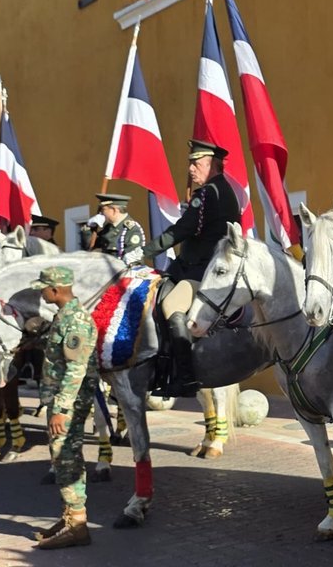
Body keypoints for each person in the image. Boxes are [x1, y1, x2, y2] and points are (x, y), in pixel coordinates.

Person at [143, 139, 243, 397]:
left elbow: (183, 229)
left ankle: (185, 377)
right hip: (195, 268)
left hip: (202, 272)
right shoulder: (223, 190)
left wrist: (146, 251)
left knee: (171, 306)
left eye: (197, 163)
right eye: (191, 163)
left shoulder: (209, 193)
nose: (191, 169)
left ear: (213, 165)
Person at [30, 266, 99, 550]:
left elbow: (76, 367)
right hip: (62, 402)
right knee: (65, 458)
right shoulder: (64, 316)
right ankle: (71, 516)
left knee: (66, 458)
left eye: (43, 288)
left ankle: (78, 526)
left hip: (67, 404)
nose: (41, 292)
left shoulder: (76, 321)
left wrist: (60, 408)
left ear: (56, 290)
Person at [82, 194, 146, 265]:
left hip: (124, 272)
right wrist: (89, 227)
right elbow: (89, 246)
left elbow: (133, 260)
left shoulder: (131, 229)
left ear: (114, 210)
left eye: (103, 210)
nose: (101, 213)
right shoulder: (108, 228)